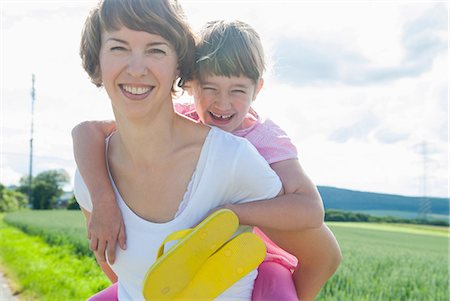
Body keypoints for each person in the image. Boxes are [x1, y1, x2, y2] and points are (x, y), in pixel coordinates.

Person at [73, 1, 332, 300]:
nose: (136, 68)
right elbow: (86, 130)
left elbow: (319, 244)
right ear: (192, 84)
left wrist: (232, 214)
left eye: (156, 49)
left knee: (274, 278)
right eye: (118, 47)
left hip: (264, 253)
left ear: (179, 67)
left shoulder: (242, 153)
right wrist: (104, 199)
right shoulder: (92, 174)